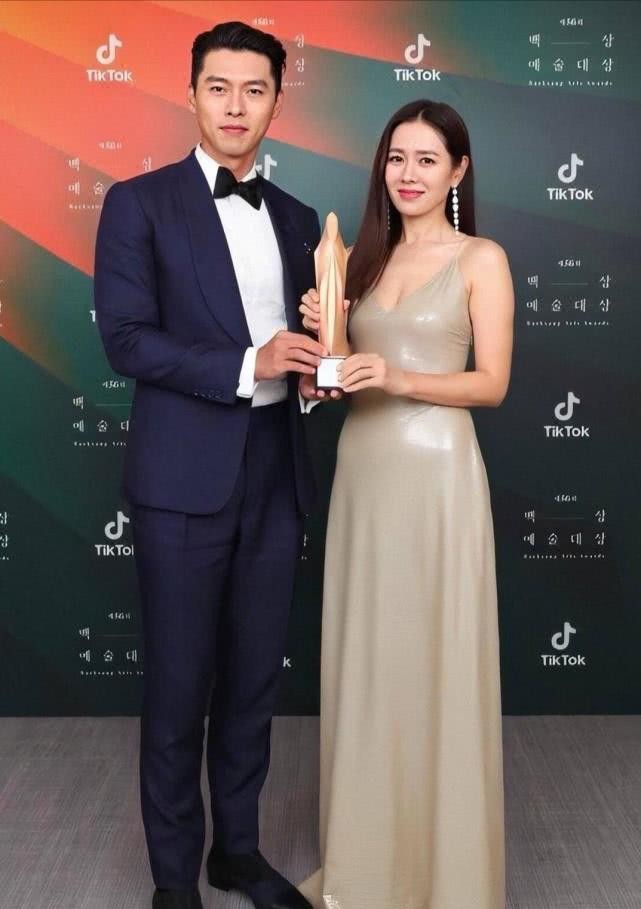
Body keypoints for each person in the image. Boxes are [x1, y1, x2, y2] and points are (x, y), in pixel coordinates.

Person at [94, 20, 323, 909]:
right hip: (182, 479)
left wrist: (314, 373)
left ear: (275, 101)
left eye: (254, 89)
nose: (235, 106)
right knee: (178, 683)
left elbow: (307, 351)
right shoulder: (138, 203)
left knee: (254, 679)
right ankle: (171, 878)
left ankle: (238, 850)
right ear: (190, 93)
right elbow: (125, 339)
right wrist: (247, 364)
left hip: (275, 471)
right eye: (218, 87)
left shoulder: (298, 218)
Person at [297, 99, 514, 909]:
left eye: (427, 159)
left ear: (458, 170)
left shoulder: (480, 258)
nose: (408, 174)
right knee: (371, 663)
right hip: (365, 474)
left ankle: (444, 876)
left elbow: (491, 384)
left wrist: (397, 376)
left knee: (436, 661)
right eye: (396, 157)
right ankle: (367, 867)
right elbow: (338, 382)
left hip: (437, 477)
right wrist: (328, 345)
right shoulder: (358, 260)